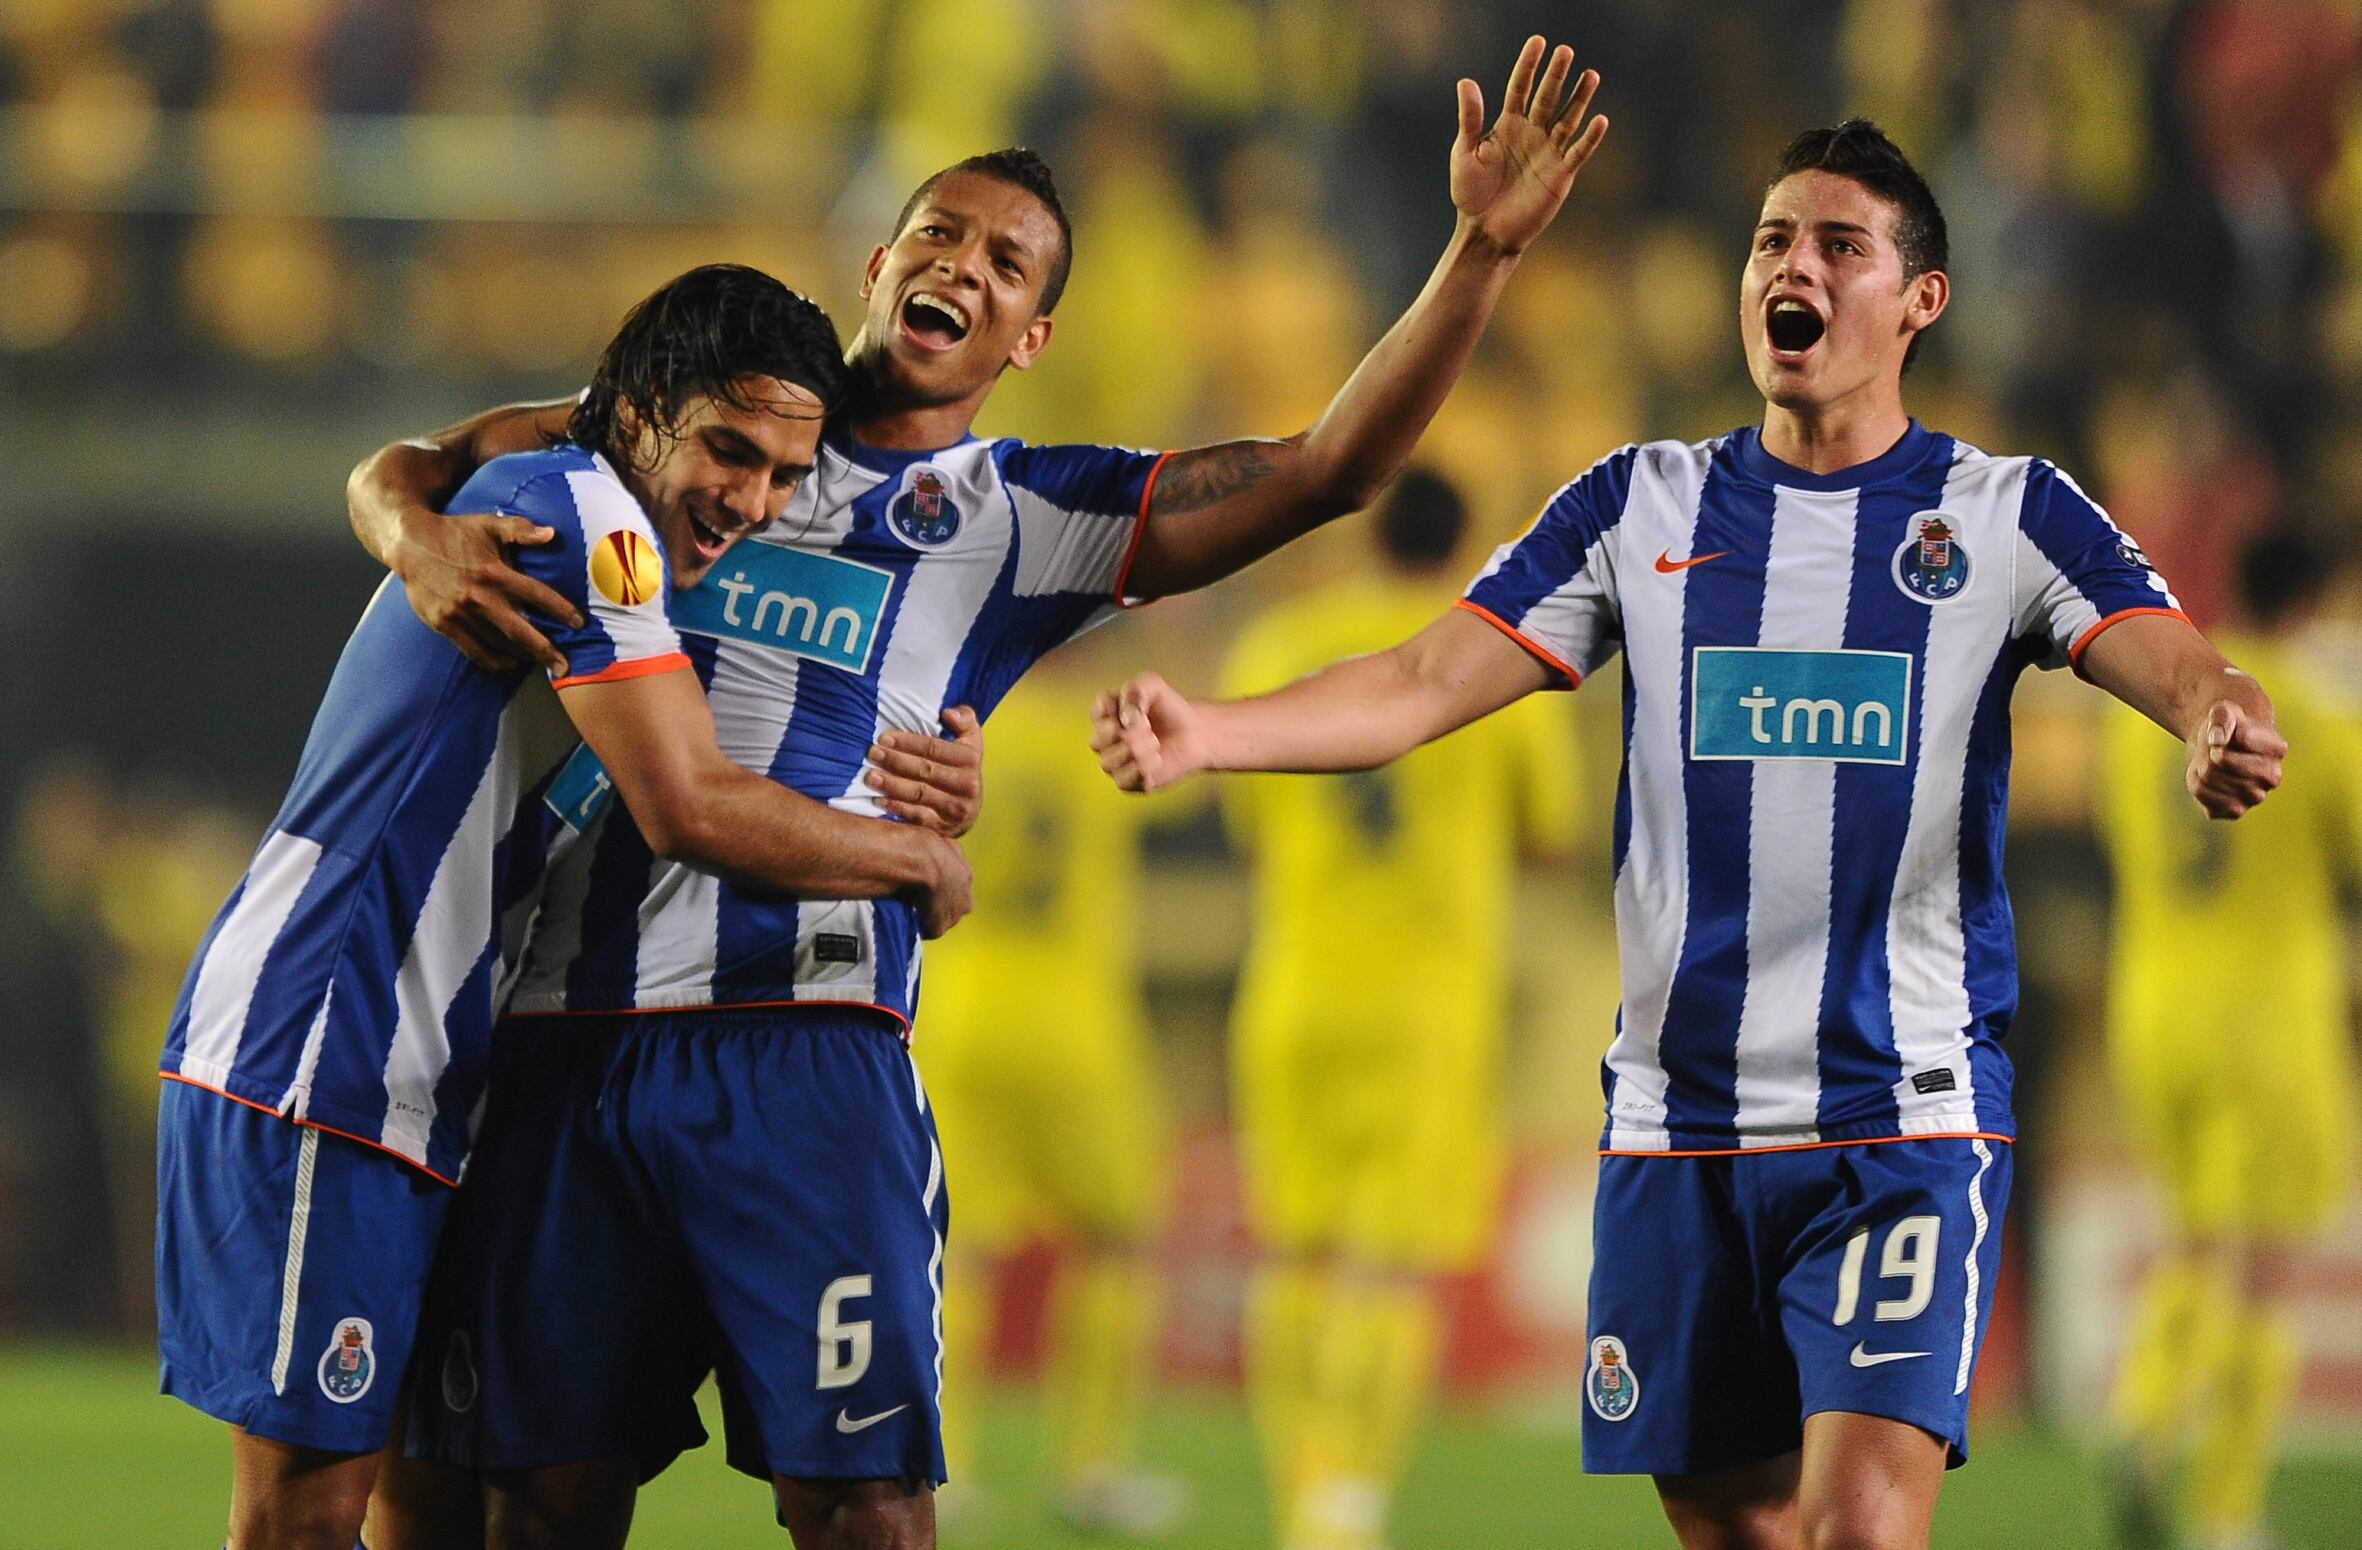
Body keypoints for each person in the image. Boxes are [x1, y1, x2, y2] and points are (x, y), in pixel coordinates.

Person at [348, 38, 1608, 1550]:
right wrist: (409, 537)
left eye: (1008, 263)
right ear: (879, 263)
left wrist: (1477, 253)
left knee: (869, 1511)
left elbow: (1326, 467)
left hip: (811, 1047)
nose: (965, 265)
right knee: (539, 1513)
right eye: (940, 234)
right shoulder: (704, 417)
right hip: (572, 1030)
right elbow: (415, 465)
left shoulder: (1026, 517)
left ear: (1032, 333)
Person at [1090, 120, 2289, 1550]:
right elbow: (1418, 679)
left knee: (1858, 1527)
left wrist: (2216, 715)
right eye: (1773, 239)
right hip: (1677, 1127)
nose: (1794, 267)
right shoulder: (1636, 504)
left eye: (1838, 245)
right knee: (1735, 1524)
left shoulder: (2004, 513)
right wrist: (1210, 729)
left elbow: (2179, 657)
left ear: (1920, 299)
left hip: (1897, 1114)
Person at [155, 264, 979, 1550]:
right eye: (727, 451)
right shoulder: (583, 515)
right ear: (638, 409)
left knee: (416, 1502)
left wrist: (395, 506)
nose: (750, 501)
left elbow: (433, 455)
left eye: (781, 473)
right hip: (327, 1028)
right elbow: (690, 803)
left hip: (415, 1053)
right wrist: (920, 861)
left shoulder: (592, 502)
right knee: (303, 1519)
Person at [1218, 467, 1580, 1550]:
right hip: (1428, 1005)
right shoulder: (1491, 651)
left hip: (1294, 989)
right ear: (1465, 546)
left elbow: (1246, 820)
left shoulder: (1277, 644)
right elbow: (1550, 834)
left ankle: (1299, 1491)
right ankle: (1347, 1502)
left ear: (1365, 535)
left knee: (1295, 1252)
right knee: (1393, 1261)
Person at [2098, 531, 2361, 1550]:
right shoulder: (2314, 709)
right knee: (2267, 1266)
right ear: (2318, 597)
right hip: (2270, 1016)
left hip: (2154, 1006)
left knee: (2196, 1240)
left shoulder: (2148, 711)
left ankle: (2142, 1410)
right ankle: (2224, 1506)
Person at [920, 640, 1184, 1538]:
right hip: (1077, 1022)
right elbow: (1195, 781)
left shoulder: (962, 725)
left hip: (962, 1013)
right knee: (1117, 1242)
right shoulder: (1104, 731)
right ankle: (1093, 1467)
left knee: (958, 1248)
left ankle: (944, 1468)